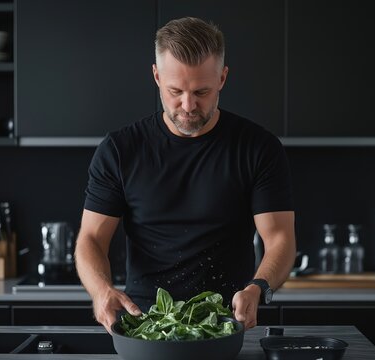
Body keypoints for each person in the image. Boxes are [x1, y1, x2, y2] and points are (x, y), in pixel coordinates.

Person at [75, 17, 296, 334]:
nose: (188, 105)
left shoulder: (258, 148)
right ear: (156, 76)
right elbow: (91, 238)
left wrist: (258, 286)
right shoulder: (120, 150)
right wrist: (100, 291)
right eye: (175, 91)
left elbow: (280, 238)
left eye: (202, 91)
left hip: (226, 325)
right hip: (147, 325)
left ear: (222, 78)